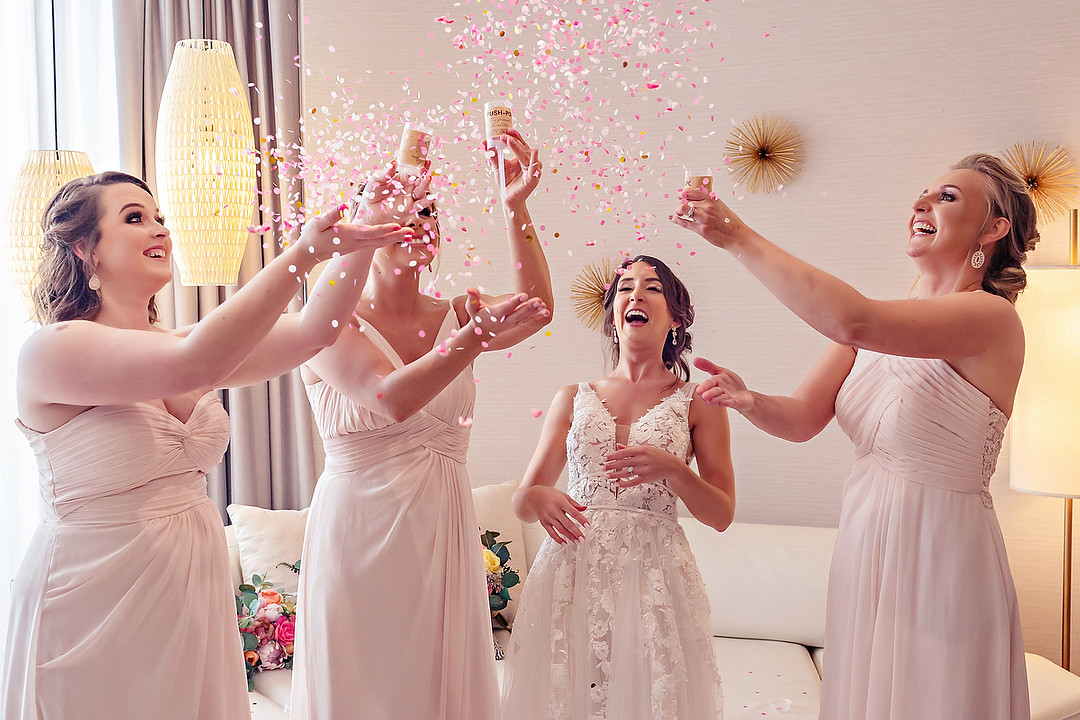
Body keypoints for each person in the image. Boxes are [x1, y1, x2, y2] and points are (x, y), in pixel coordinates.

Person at [1, 169, 416, 720]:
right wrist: (301, 255)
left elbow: (317, 330)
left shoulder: (179, 342)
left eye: (159, 218)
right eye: (133, 218)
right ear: (84, 248)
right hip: (92, 601)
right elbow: (195, 363)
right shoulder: (50, 350)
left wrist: (366, 229)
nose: (158, 230)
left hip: (188, 593)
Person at [674, 153, 1037, 720]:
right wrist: (751, 401)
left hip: (942, 546)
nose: (920, 204)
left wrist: (738, 237)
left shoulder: (990, 318)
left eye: (947, 197)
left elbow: (851, 319)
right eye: (923, 192)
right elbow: (801, 420)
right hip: (865, 535)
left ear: (993, 230)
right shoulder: (878, 321)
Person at [290, 128, 553, 720]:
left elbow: (540, 307)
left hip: (441, 528)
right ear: (363, 227)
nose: (416, 221)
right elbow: (392, 398)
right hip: (357, 534)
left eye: (428, 210)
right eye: (399, 208)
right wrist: (477, 335)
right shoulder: (325, 322)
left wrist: (516, 207)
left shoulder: (459, 314)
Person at [501, 255, 734, 719]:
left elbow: (721, 514)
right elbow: (523, 501)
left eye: (653, 287)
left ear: (676, 318)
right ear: (613, 315)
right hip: (572, 568)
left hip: (653, 573)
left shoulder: (699, 402)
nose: (636, 295)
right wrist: (538, 497)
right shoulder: (573, 396)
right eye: (625, 287)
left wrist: (676, 469)